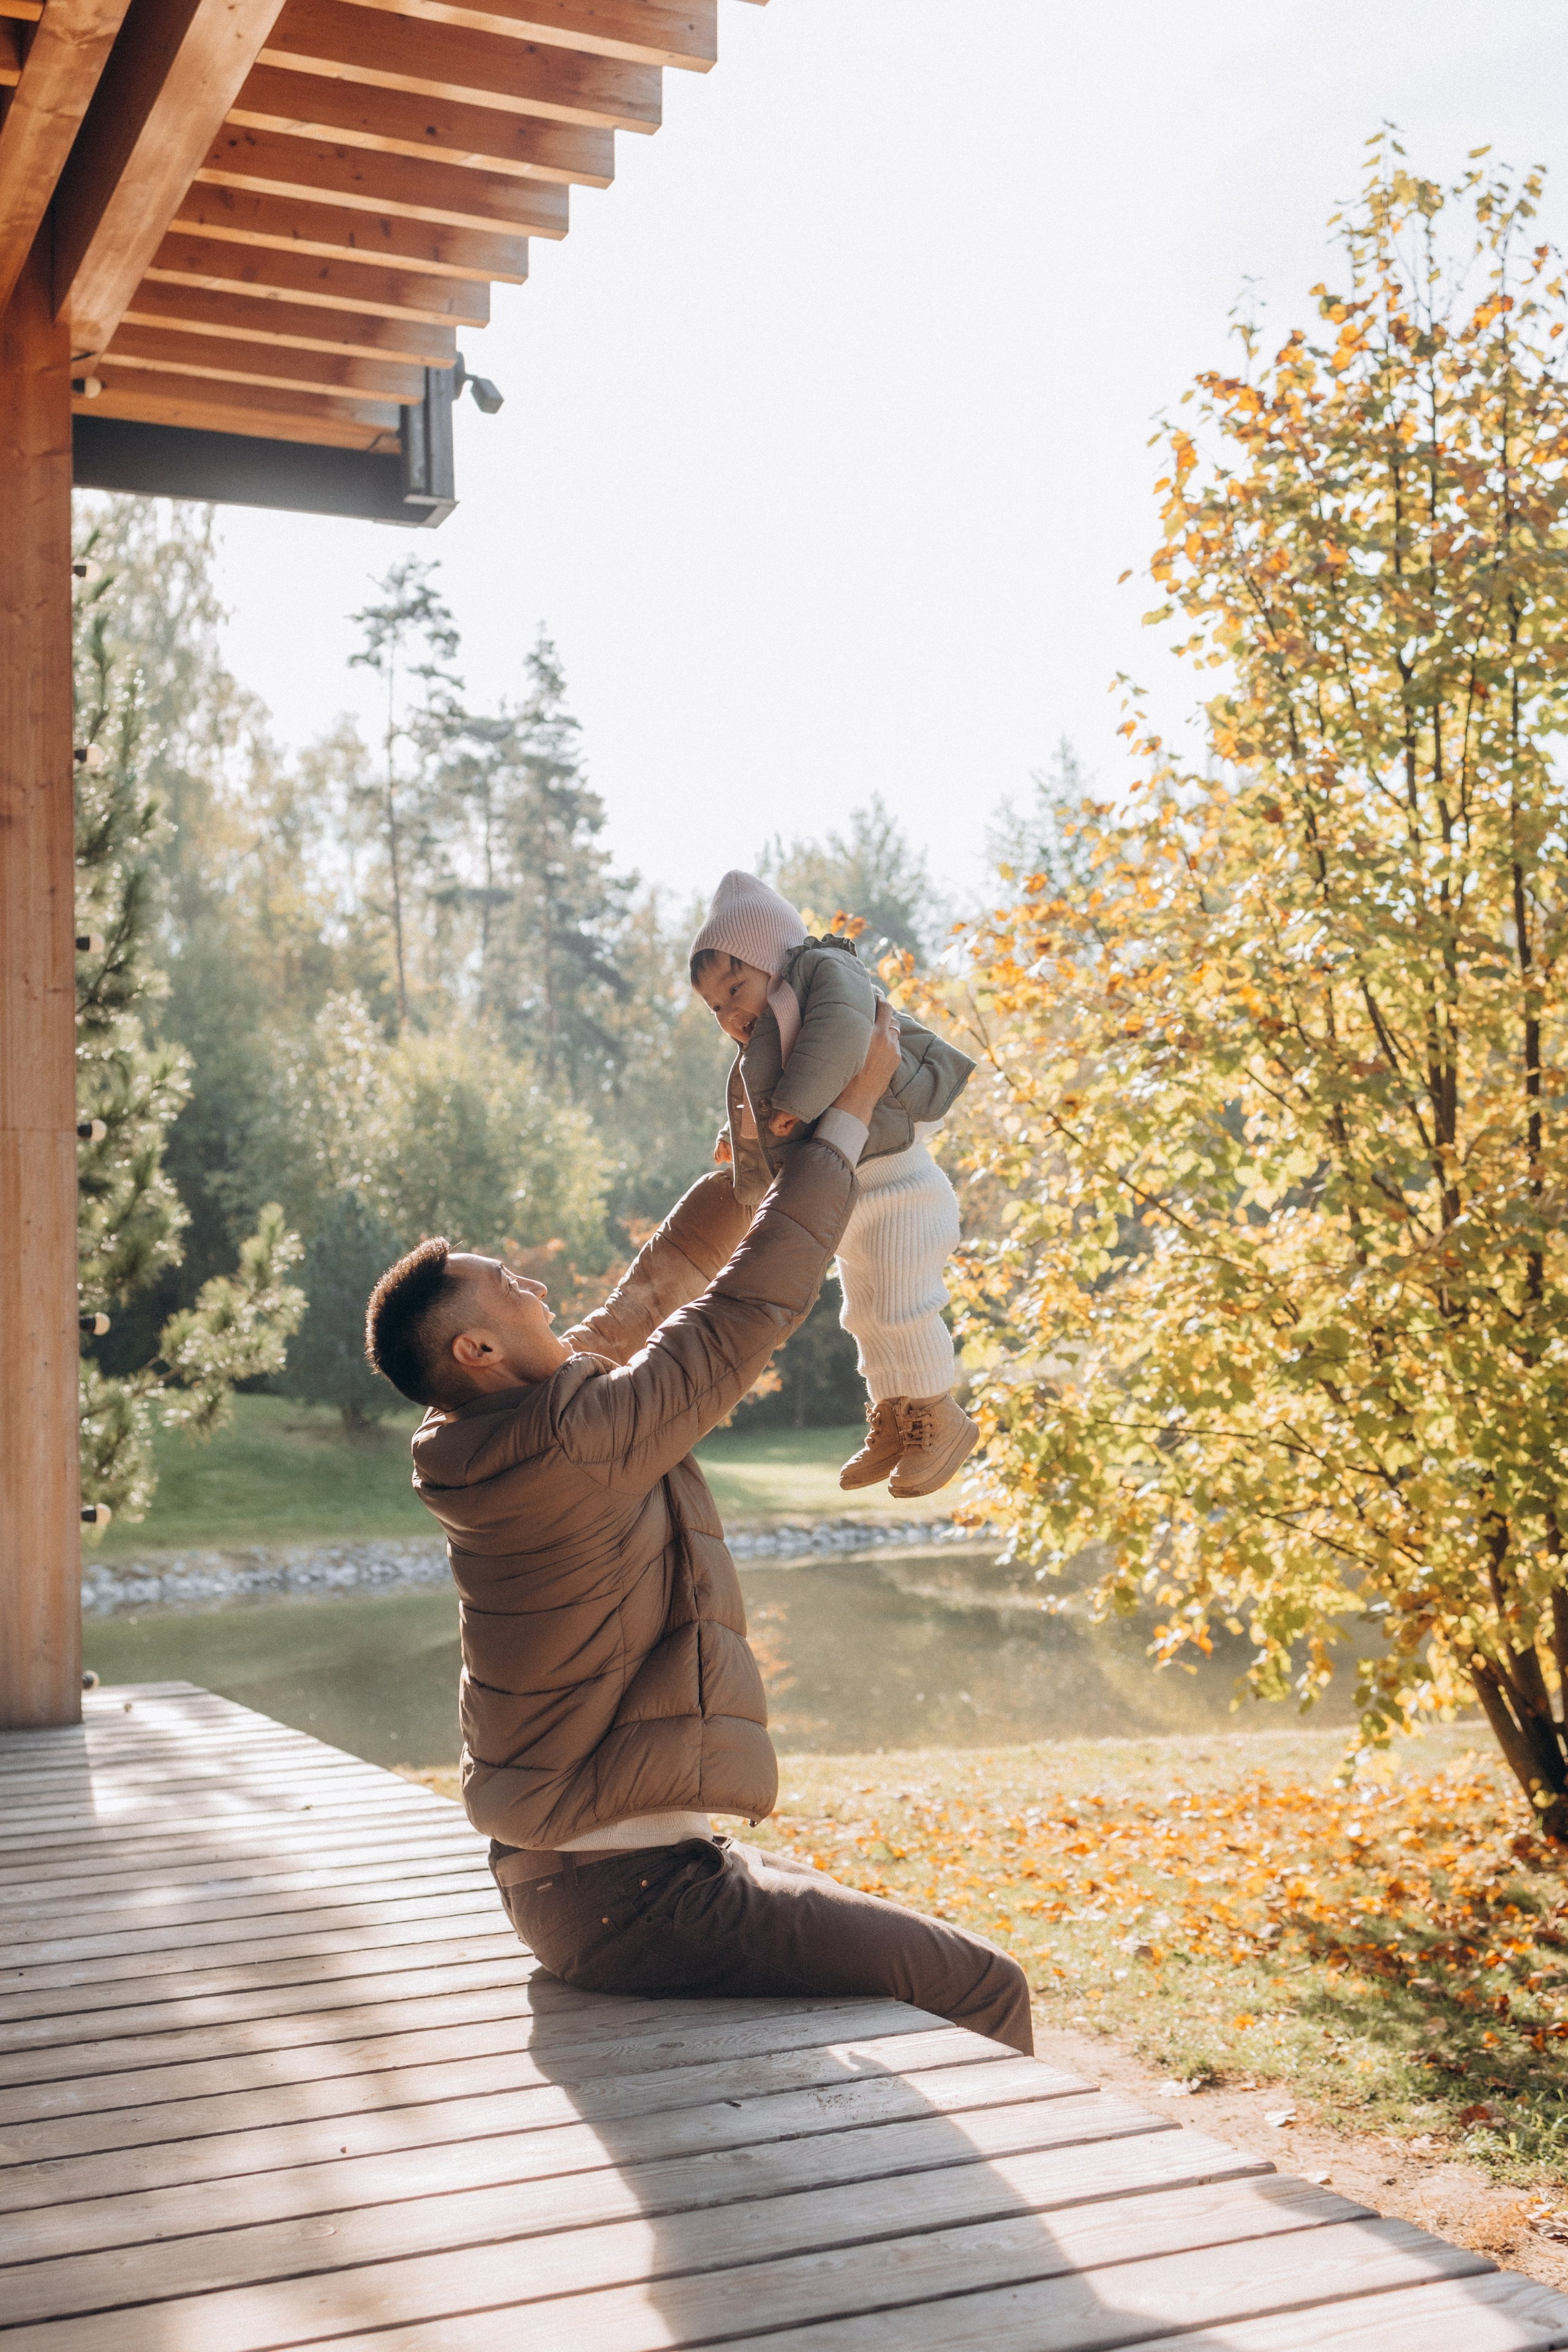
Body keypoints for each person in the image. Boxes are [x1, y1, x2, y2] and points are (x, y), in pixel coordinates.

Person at [363, 1003, 1031, 2054]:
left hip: (588, 1884)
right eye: (511, 1287)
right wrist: (853, 1112)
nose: (537, 1288)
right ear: (478, 1351)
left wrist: (752, 1169)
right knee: (985, 1984)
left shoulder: (499, 1434)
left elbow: (655, 1288)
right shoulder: (575, 1439)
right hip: (628, 1896)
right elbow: (743, 1310)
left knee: (899, 1980)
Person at [689, 869, 978, 1499]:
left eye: (735, 987)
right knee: (865, 1314)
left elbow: (842, 1034)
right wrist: (739, 1143)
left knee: (903, 1304)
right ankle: (896, 1417)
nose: (730, 1012)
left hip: (902, 1190)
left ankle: (938, 1414)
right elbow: (758, 1102)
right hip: (854, 1199)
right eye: (715, 1007)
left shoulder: (824, 972)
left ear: (776, 959)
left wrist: (797, 1100)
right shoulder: (770, 1037)